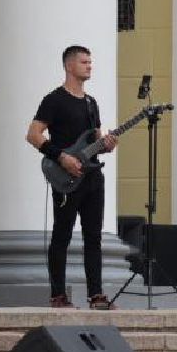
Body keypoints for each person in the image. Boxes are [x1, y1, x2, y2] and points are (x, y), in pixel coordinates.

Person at [27, 44, 117, 309]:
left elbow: (96, 139)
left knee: (94, 237)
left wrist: (108, 144)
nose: (89, 66)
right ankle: (58, 295)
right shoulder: (54, 99)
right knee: (62, 235)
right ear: (69, 65)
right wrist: (61, 157)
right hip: (65, 176)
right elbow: (33, 135)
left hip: (91, 176)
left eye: (90, 62)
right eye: (84, 62)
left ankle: (96, 295)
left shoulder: (91, 103)